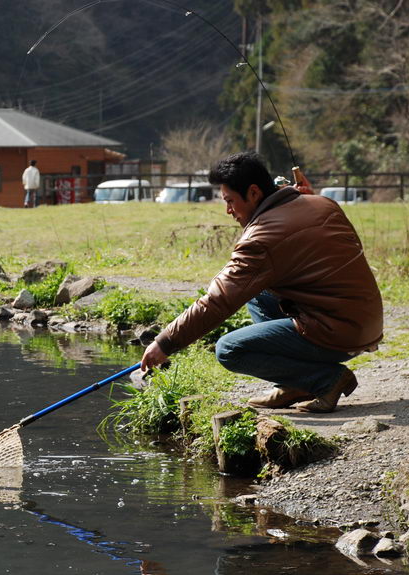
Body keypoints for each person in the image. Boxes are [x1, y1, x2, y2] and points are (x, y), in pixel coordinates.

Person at [141, 152, 382, 413]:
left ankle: (325, 380)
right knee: (256, 293)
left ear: (254, 193)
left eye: (230, 201)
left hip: (338, 334)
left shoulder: (261, 238)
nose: (228, 210)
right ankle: (294, 383)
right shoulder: (323, 202)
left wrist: (164, 343)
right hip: (366, 322)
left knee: (229, 349)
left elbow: (217, 300)